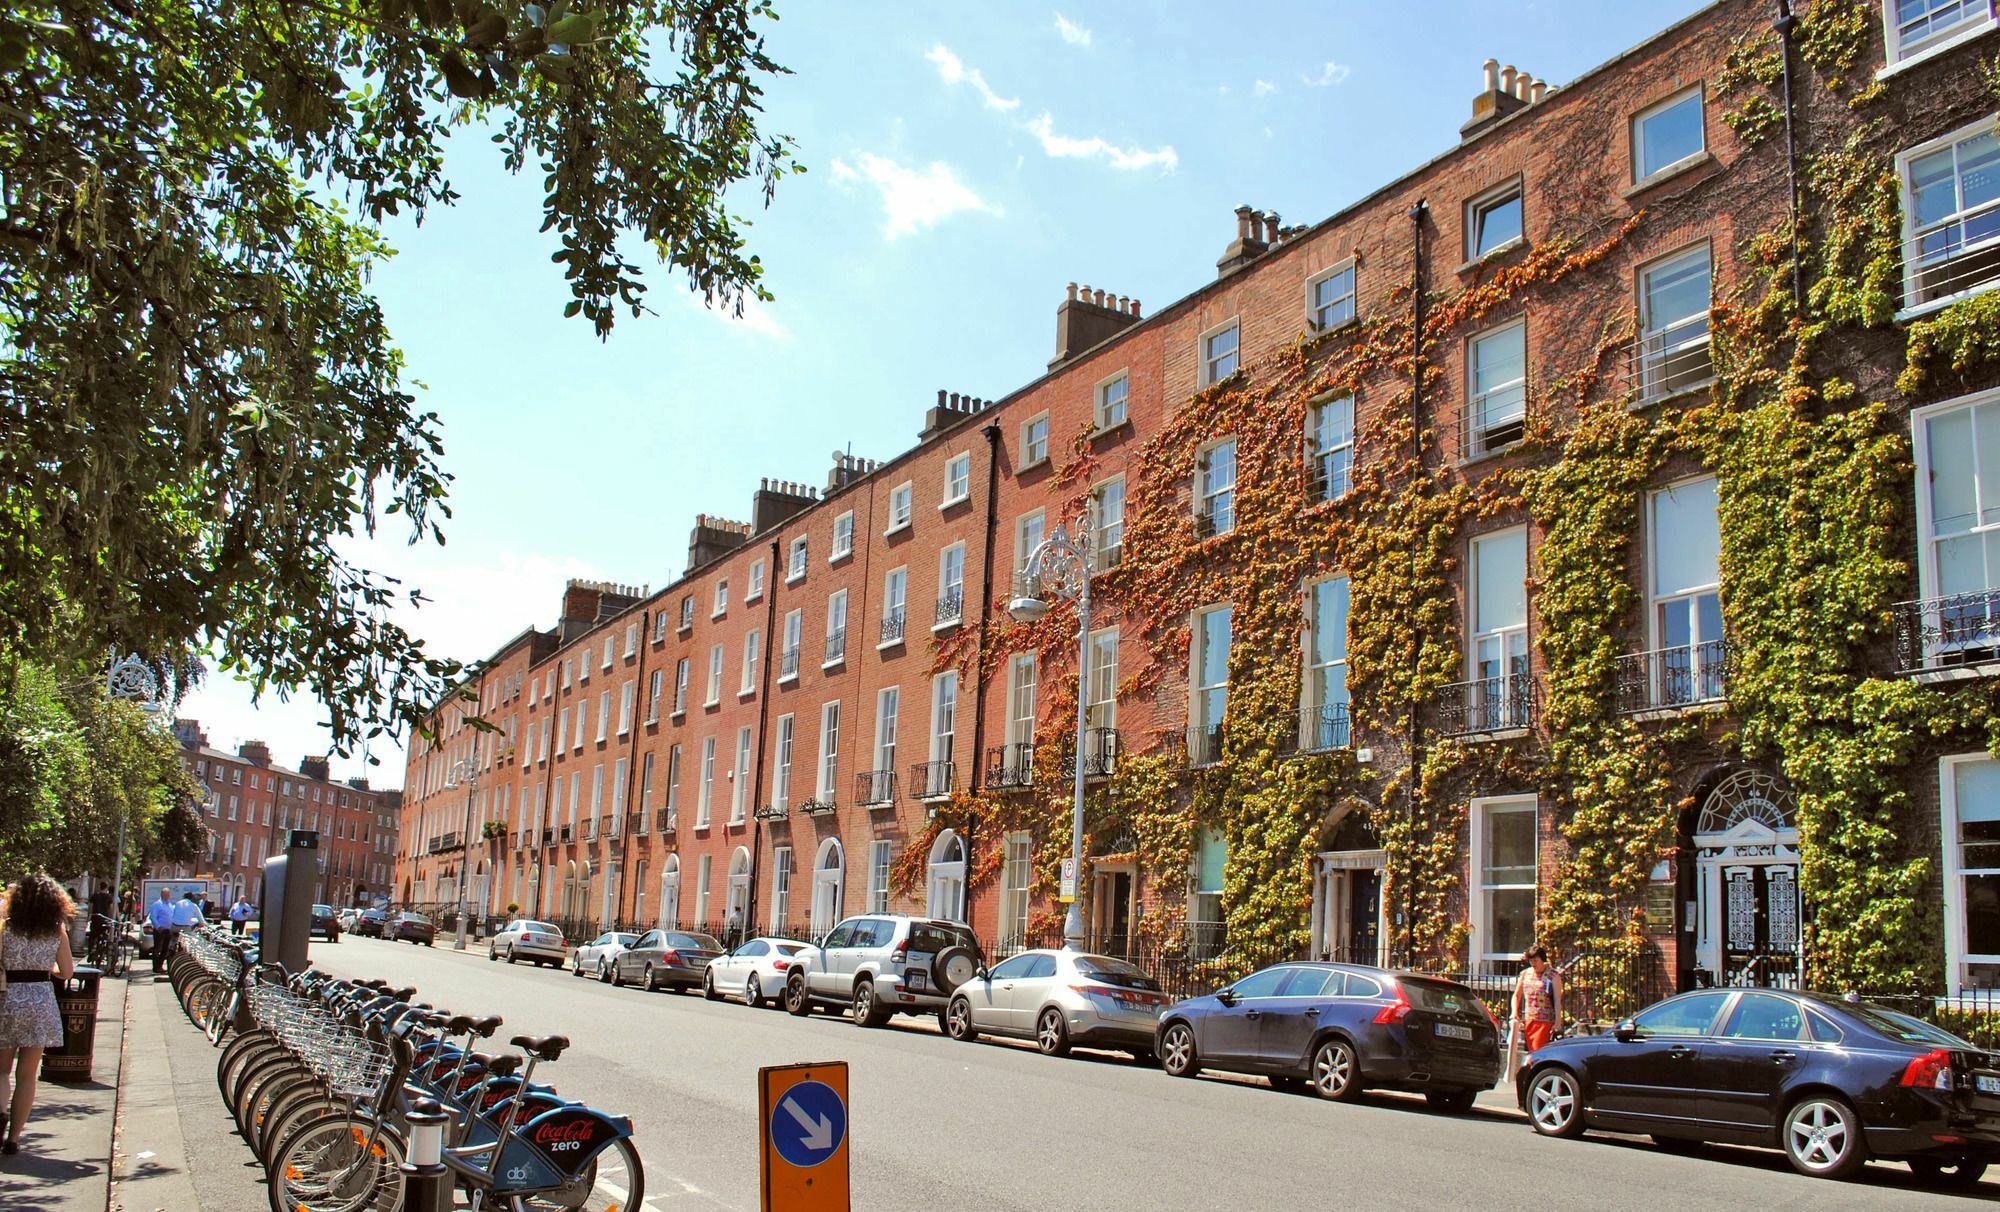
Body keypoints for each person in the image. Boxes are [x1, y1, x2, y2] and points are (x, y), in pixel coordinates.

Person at [0, 875, 77, 1154]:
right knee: (27, 1075)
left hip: (7, 999)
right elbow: (67, 972)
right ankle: (14, 1139)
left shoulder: (5, 928)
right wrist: (49, 970)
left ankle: (0, 1113)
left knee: (2, 1070)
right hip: (40, 1001)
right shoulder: (56, 931)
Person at [1511, 945, 1563, 1056]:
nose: (1533, 963)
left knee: (1538, 1052)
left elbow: (1558, 1000)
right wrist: (1514, 1012)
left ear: (1542, 959)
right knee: (1530, 1052)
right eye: (1531, 960)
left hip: (1545, 1022)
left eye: (1536, 960)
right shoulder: (1525, 974)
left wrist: (1558, 1022)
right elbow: (1516, 995)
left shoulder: (1553, 975)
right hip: (1529, 1020)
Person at [146, 889, 176, 974]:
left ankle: (160, 966)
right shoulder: (157, 904)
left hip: (168, 930)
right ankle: (156, 967)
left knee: (165, 949)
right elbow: (153, 917)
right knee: (157, 948)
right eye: (166, 894)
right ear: (162, 894)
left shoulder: (170, 905)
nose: (167, 896)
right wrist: (158, 927)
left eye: (168, 894)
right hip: (160, 930)